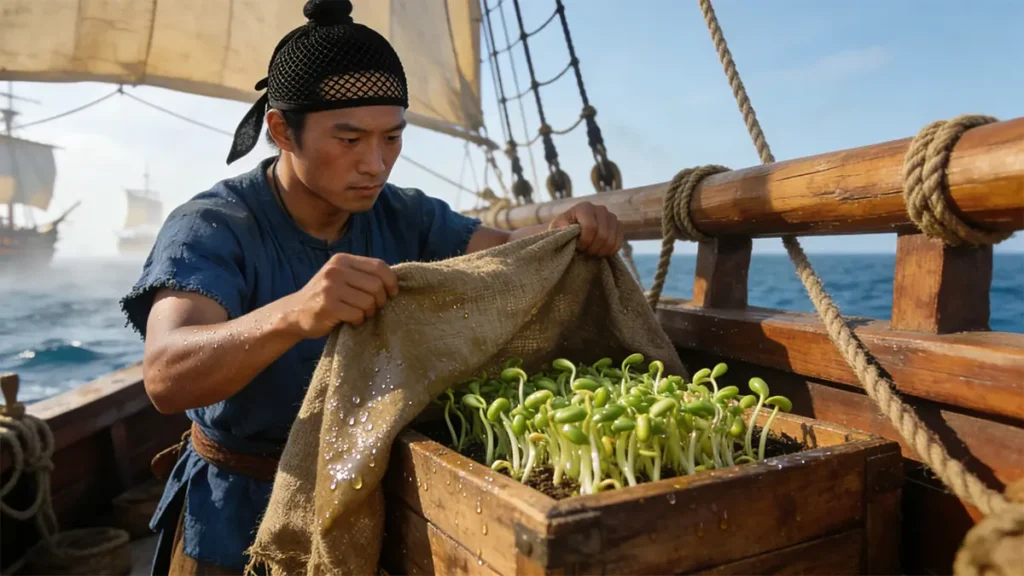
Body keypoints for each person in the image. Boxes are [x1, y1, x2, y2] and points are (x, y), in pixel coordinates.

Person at [120, 0, 624, 573]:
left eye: (391, 138)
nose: (376, 164)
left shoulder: (404, 215)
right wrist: (296, 312)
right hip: (233, 521)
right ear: (282, 130)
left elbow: (508, 251)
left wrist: (563, 231)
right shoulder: (211, 225)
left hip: (359, 505)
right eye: (350, 138)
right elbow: (164, 375)